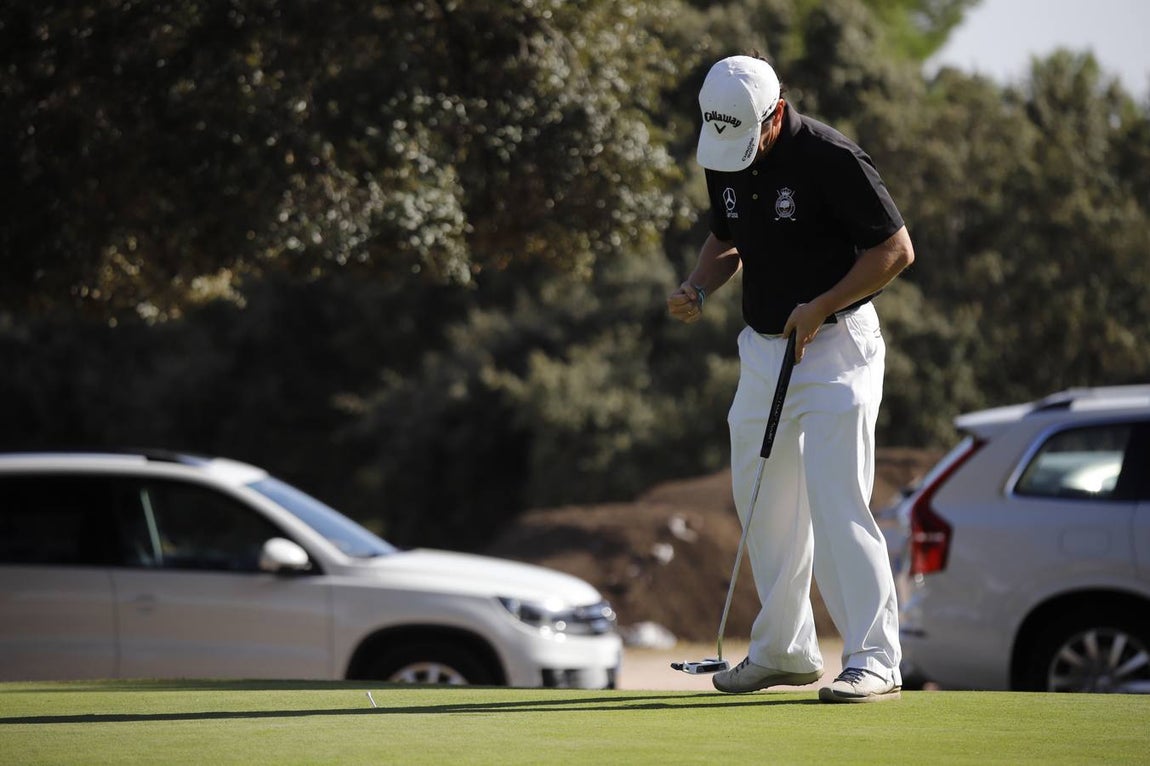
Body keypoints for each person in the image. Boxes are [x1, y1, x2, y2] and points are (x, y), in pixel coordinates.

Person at [667, 54, 914, 703]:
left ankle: (874, 657)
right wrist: (697, 285)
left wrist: (823, 304)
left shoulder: (832, 158)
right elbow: (726, 240)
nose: (735, 156)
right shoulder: (722, 150)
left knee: (838, 501)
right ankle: (785, 651)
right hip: (764, 350)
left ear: (775, 114)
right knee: (762, 504)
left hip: (837, 348)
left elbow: (895, 250)